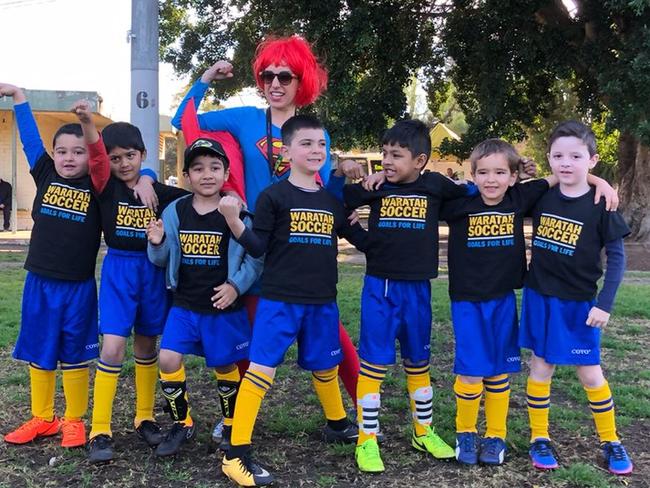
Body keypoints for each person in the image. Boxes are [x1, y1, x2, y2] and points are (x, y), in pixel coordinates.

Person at [171, 37, 361, 426]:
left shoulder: (314, 133)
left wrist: (346, 177)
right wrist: (206, 78)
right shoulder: (243, 118)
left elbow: (321, 191)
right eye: (266, 74)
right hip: (251, 243)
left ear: (300, 80)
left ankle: (365, 414)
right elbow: (183, 120)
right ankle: (236, 420)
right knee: (248, 334)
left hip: (298, 251)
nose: (275, 83)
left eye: (284, 76)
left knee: (334, 339)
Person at [441, 139, 616, 466]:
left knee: (499, 372)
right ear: (472, 174)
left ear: (513, 177)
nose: (491, 179)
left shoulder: (520, 197)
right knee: (470, 371)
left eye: (499, 172)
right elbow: (421, 189)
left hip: (505, 299)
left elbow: (563, 176)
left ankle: (496, 434)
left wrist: (599, 180)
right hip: (466, 301)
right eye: (483, 173)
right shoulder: (457, 204)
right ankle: (465, 431)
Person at [217, 115, 368, 487]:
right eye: (306, 144)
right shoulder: (273, 196)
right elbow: (258, 248)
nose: (315, 150)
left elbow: (363, 241)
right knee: (261, 371)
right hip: (279, 301)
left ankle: (336, 424)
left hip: (321, 301)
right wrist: (235, 222)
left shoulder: (332, 201)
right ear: (287, 151)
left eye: (320, 144)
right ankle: (236, 454)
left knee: (326, 365)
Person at [332, 119, 478, 473]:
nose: (387, 161)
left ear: (421, 160)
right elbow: (336, 204)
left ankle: (423, 431)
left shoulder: (435, 186)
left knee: (418, 361)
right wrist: (364, 238)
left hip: (419, 289)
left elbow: (470, 193)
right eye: (384, 154)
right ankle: (368, 439)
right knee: (375, 364)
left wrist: (470, 183)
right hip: (380, 288)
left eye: (396, 155)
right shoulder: (375, 186)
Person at [520, 120, 633, 475]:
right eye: (557, 155)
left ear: (593, 159)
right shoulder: (542, 195)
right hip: (540, 296)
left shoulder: (602, 203)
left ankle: (611, 440)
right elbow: (512, 193)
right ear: (549, 159)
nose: (565, 163)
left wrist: (604, 304)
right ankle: (539, 437)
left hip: (581, 303)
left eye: (575, 156)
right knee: (541, 367)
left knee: (591, 373)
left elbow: (617, 258)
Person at [0, 84, 107, 448]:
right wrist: (18, 97)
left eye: (77, 152)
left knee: (74, 354)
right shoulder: (45, 174)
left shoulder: (97, 185)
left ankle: (74, 420)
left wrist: (86, 123)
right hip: (40, 283)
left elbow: (100, 156)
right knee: (40, 350)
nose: (68, 157)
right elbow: (30, 139)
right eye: (62, 151)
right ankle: (43, 418)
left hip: (78, 286)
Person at [82, 117, 189, 463]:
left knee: (146, 344)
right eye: (116, 159)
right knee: (112, 348)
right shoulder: (104, 187)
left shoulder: (157, 192)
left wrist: (149, 179)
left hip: (153, 272)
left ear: (143, 154)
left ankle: (144, 416)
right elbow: (95, 155)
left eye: (130, 156)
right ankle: (100, 428)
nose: (123, 164)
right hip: (119, 271)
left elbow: (199, 196)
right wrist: (86, 121)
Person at [146, 137, 262, 458]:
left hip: (222, 307)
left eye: (214, 167)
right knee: (168, 358)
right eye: (198, 168)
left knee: (224, 364)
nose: (206, 174)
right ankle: (183, 422)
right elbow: (160, 259)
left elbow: (255, 258)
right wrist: (156, 242)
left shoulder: (235, 212)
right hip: (184, 304)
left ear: (226, 174)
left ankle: (229, 422)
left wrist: (236, 286)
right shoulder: (175, 211)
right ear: (186, 176)